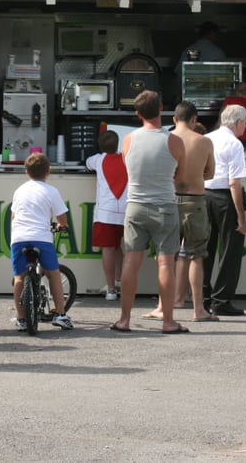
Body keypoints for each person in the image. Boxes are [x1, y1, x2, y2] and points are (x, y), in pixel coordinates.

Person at [110, 90, 188, 334]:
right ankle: (168, 321)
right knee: (165, 263)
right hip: (164, 205)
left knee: (131, 262)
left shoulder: (128, 140)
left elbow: (127, 168)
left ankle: (124, 320)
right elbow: (181, 176)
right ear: (162, 108)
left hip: (135, 206)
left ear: (137, 113)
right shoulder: (174, 141)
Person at [143, 101, 216, 322]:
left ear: (174, 119)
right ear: (194, 120)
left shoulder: (164, 139)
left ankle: (161, 307)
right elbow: (210, 173)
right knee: (196, 256)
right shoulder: (204, 141)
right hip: (195, 201)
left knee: (166, 256)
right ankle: (198, 310)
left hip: (167, 199)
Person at [10, 153, 74, 331]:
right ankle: (60, 315)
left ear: (26, 172)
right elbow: (62, 218)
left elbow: (13, 216)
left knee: (19, 277)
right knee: (53, 274)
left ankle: (21, 318)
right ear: (48, 171)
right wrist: (62, 226)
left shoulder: (19, 190)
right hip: (42, 238)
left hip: (19, 238)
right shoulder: (51, 191)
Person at [203, 104, 246, 316]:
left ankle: (203, 296)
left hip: (204, 195)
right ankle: (221, 300)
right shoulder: (235, 144)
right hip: (224, 197)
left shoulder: (207, 139)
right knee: (230, 251)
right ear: (238, 122)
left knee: (206, 249)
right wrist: (241, 216)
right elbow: (234, 183)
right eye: (245, 122)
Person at [84, 130, 127, 301]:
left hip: (106, 213)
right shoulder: (127, 158)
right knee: (119, 247)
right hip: (126, 210)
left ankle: (110, 289)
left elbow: (87, 163)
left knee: (108, 249)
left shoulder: (98, 159)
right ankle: (119, 281)